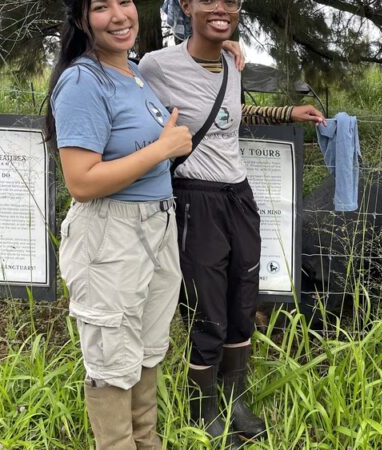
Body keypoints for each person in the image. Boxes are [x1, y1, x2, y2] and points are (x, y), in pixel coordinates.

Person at [44, 0, 239, 447]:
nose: (119, 15)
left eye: (125, 2)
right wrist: (163, 148)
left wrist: (227, 44)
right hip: (111, 235)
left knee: (147, 350)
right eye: (100, 7)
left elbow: (189, 59)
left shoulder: (133, 73)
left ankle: (145, 440)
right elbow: (81, 181)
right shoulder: (82, 81)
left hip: (155, 228)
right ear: (80, 19)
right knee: (112, 360)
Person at [138, 0, 326, 447]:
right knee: (207, 309)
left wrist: (287, 113)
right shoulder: (156, 66)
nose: (222, 8)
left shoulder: (231, 60)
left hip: (239, 196)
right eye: (209, 0)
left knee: (243, 301)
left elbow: (232, 116)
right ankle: (202, 410)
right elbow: (135, 114)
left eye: (231, 1)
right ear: (186, 5)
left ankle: (235, 402)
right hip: (194, 198)